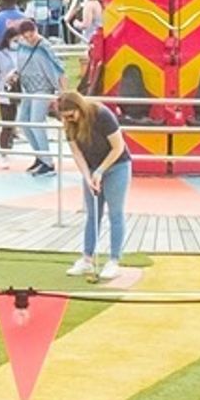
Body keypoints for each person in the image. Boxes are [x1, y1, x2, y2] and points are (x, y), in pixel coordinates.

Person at [54, 85, 132, 286]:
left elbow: (118, 147)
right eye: (64, 117)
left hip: (117, 166)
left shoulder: (102, 115)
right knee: (92, 213)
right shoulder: (69, 124)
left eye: (71, 115)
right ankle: (87, 258)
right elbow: (77, 153)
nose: (68, 120)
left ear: (79, 107)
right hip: (91, 167)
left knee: (115, 213)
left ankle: (114, 260)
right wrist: (88, 176)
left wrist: (100, 171)